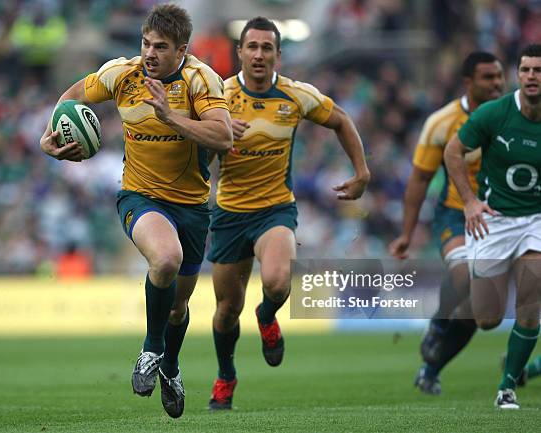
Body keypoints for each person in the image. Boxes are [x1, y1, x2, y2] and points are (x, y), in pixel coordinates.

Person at [39, 4, 232, 418]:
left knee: (179, 305)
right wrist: (49, 137)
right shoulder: (121, 74)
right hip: (139, 196)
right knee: (165, 258)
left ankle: (171, 367)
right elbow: (70, 97)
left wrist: (171, 117)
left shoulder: (201, 79)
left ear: (182, 49)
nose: (149, 53)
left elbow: (223, 135)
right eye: (145, 43)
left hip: (193, 207)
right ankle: (151, 350)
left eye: (160, 47)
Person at [206, 17, 370, 410]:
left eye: (267, 48)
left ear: (278, 54)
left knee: (278, 282)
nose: (259, 54)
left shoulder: (295, 96)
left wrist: (362, 171)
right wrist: (219, 134)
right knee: (227, 310)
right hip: (228, 213)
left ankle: (267, 314)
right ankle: (226, 374)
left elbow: (341, 121)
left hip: (274, 209)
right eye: (252, 47)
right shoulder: (218, 98)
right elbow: (192, 146)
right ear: (240, 52)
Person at [389, 52, 505, 395]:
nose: (497, 83)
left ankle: (431, 369)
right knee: (464, 275)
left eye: (499, 76)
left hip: (506, 220)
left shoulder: (516, 116)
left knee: (483, 315)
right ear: (468, 82)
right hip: (456, 214)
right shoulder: (442, 122)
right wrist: (407, 234)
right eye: (488, 77)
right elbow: (419, 180)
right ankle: (439, 320)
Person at [444, 43, 541, 409]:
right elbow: (453, 151)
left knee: (532, 301)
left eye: (539, 70)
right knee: (487, 317)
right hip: (495, 221)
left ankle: (507, 386)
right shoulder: (495, 113)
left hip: (536, 219)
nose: (532, 76)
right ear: (519, 74)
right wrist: (470, 201)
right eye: (526, 70)